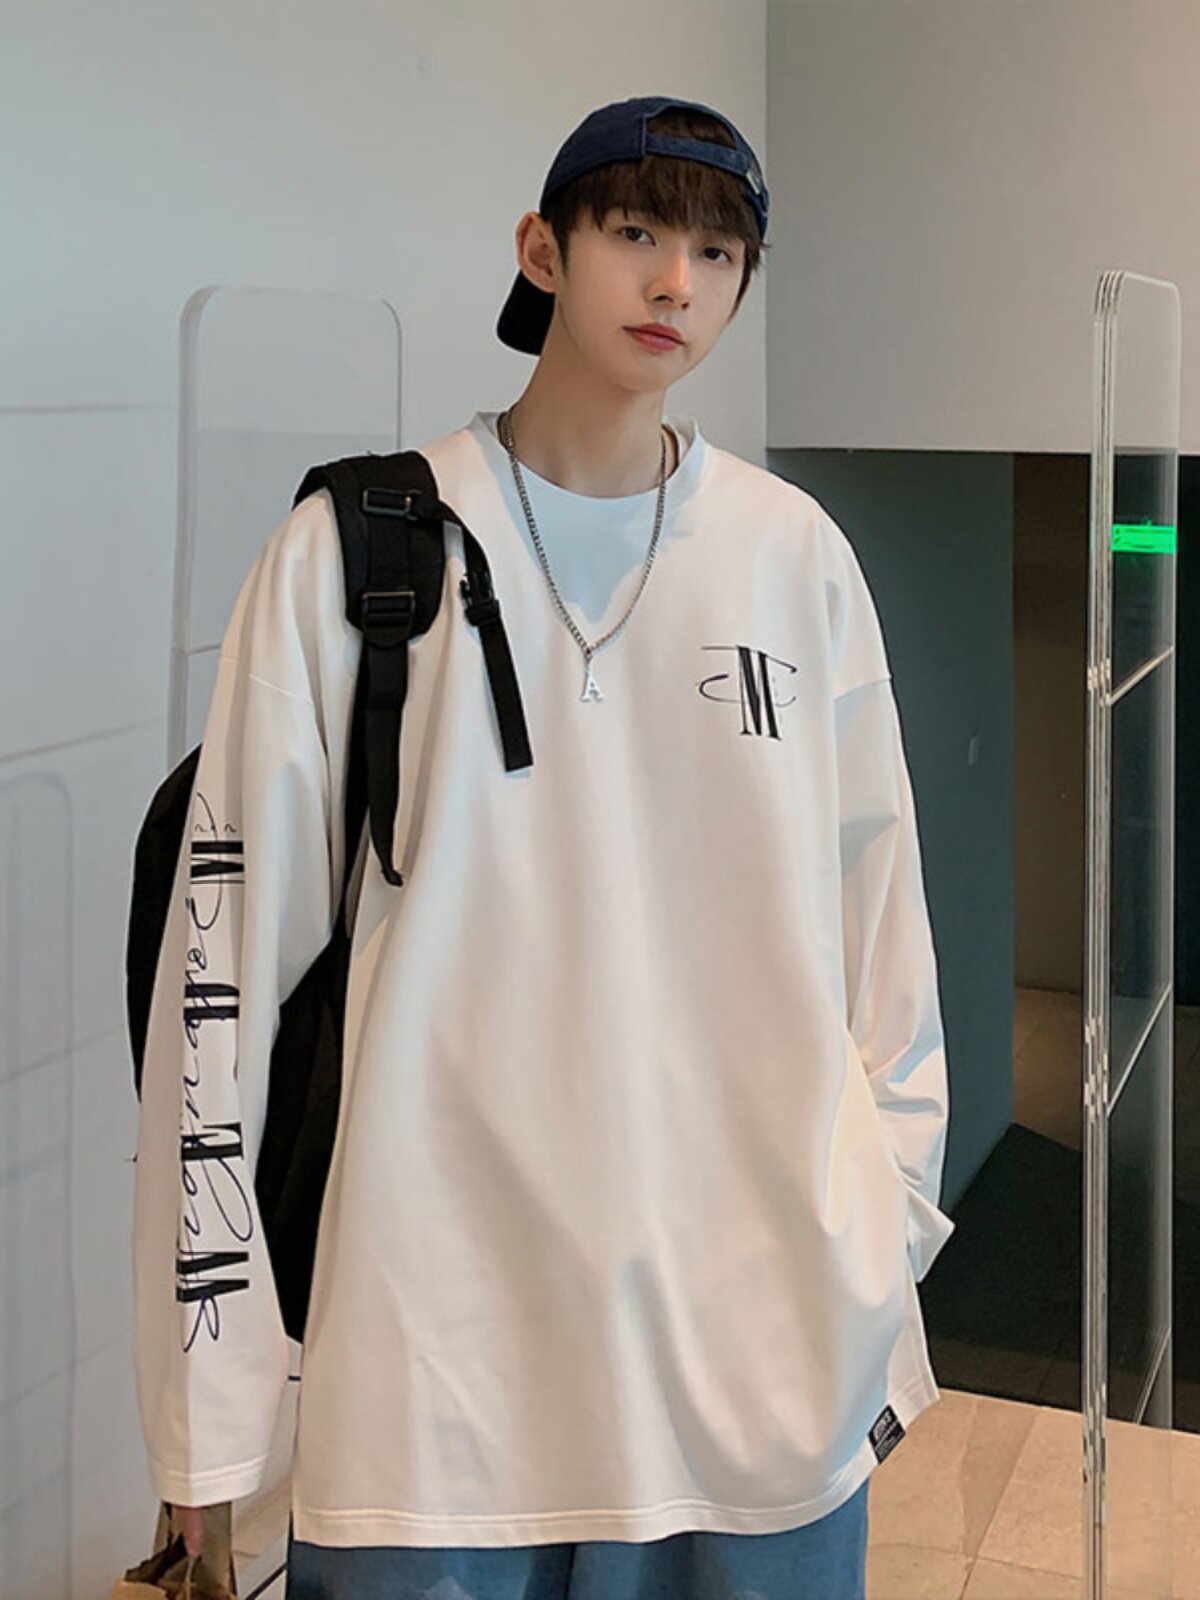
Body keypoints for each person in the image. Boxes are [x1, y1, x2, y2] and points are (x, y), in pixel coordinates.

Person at [132, 95, 956, 1600]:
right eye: (636, 232)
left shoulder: (794, 557)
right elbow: (219, 982)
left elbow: (880, 931)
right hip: (438, 1396)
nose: (675, 284)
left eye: (718, 254)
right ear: (542, 249)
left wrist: (878, 1239)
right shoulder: (352, 553)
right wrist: (208, 1405)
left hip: (759, 1374)